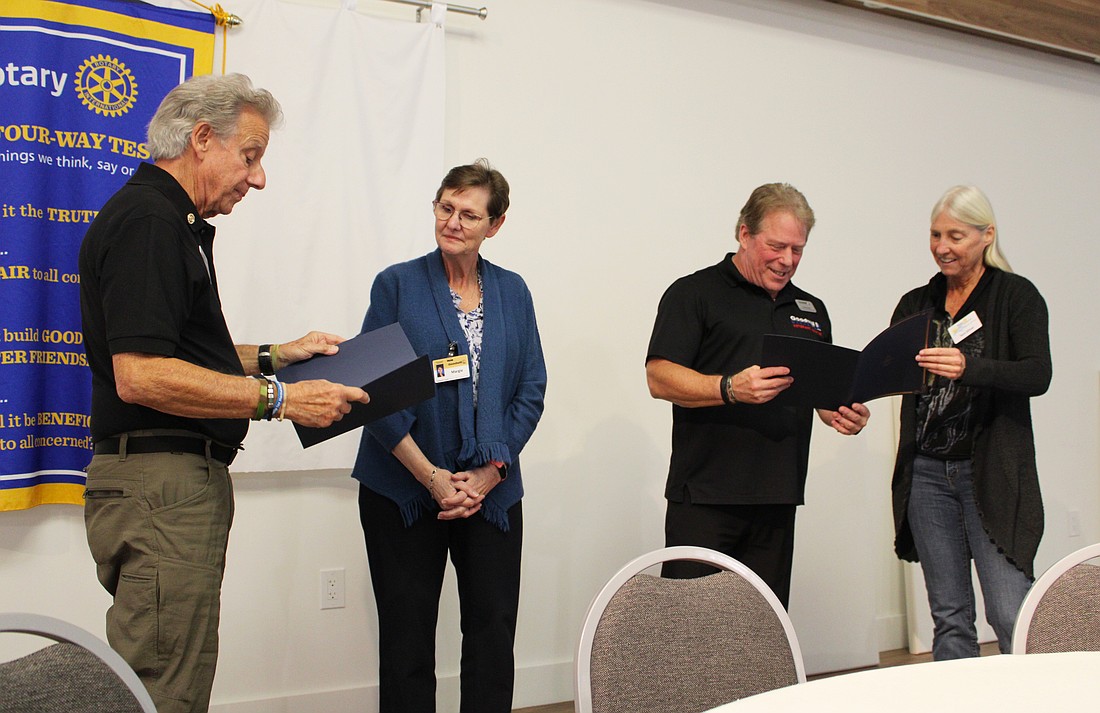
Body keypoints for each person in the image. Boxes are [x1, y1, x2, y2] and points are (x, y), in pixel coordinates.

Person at [78, 73, 370, 713]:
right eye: (251, 156)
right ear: (202, 138)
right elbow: (142, 373)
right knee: (163, 690)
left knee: (169, 674)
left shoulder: (164, 220)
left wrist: (277, 355)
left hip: (165, 488)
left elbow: (177, 353)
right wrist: (282, 398)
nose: (257, 178)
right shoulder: (151, 221)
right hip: (162, 490)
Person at [350, 160, 546, 713]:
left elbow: (531, 387)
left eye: (469, 214)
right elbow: (373, 386)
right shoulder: (397, 284)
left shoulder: (513, 291)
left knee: (491, 640)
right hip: (406, 490)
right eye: (445, 208)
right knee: (407, 643)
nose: (453, 222)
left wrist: (489, 472)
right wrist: (433, 478)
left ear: (495, 225)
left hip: (492, 492)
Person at [645, 182, 870, 608]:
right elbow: (659, 377)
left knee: (763, 638)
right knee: (692, 633)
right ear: (744, 234)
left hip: (778, 496)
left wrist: (841, 413)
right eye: (776, 246)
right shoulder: (693, 293)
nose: (787, 261)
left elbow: (819, 394)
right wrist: (729, 388)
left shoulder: (811, 309)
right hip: (706, 499)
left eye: (798, 250)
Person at [890, 185, 1051, 660]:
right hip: (926, 475)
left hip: (992, 474)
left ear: (987, 236)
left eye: (955, 235)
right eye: (936, 234)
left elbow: (1037, 374)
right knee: (951, 618)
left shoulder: (1016, 296)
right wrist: (850, 399)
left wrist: (970, 367)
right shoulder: (915, 303)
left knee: (1010, 613)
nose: (942, 246)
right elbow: (890, 373)